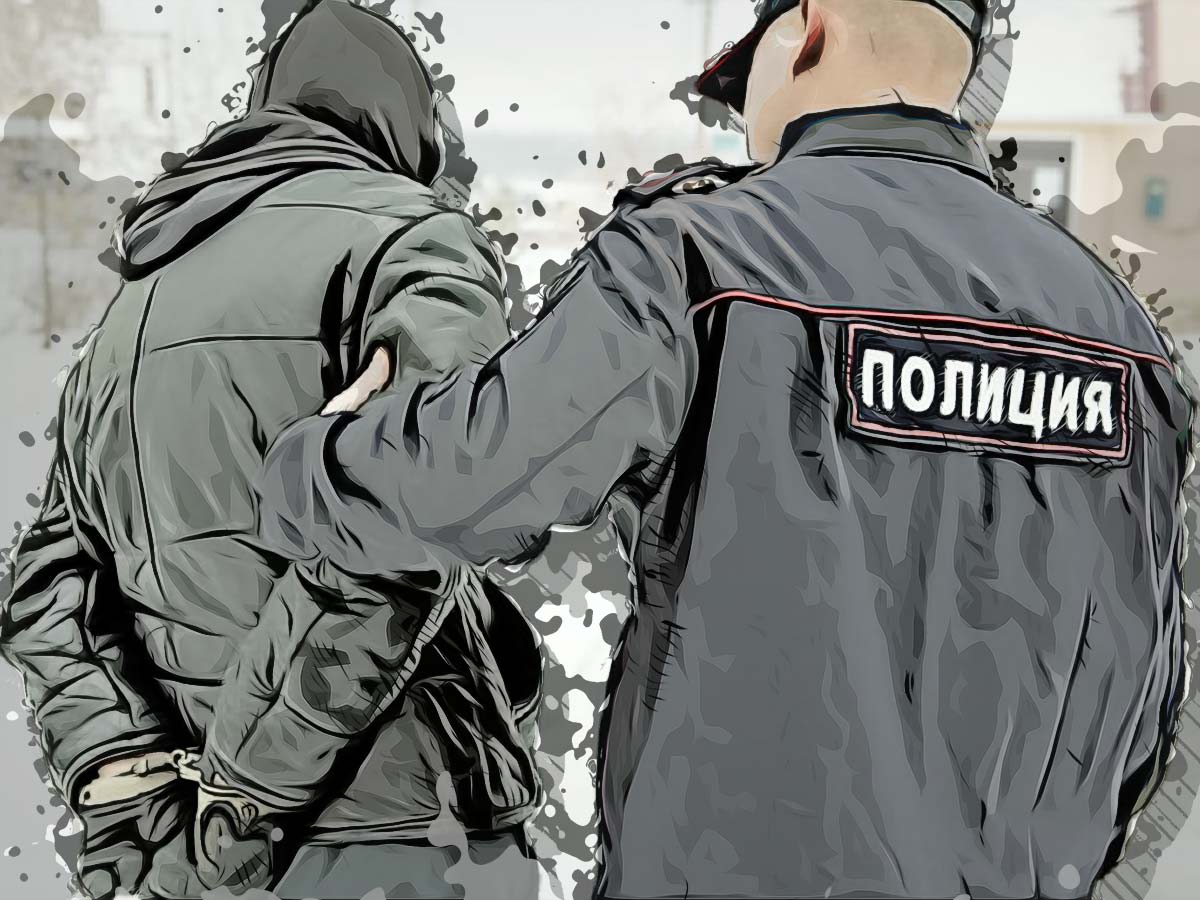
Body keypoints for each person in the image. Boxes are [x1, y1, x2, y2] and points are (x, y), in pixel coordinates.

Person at [254, 1, 1191, 899]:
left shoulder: (703, 257)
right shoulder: (1124, 338)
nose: (742, 118)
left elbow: (468, 483)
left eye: (743, 83)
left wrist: (310, 459)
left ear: (808, 30)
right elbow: (1142, 708)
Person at [0, 2, 543, 898]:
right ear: (404, 122)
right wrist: (246, 792)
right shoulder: (410, 241)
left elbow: (49, 585)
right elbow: (420, 512)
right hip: (402, 834)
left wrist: (129, 781)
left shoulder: (127, 317)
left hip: (200, 857)